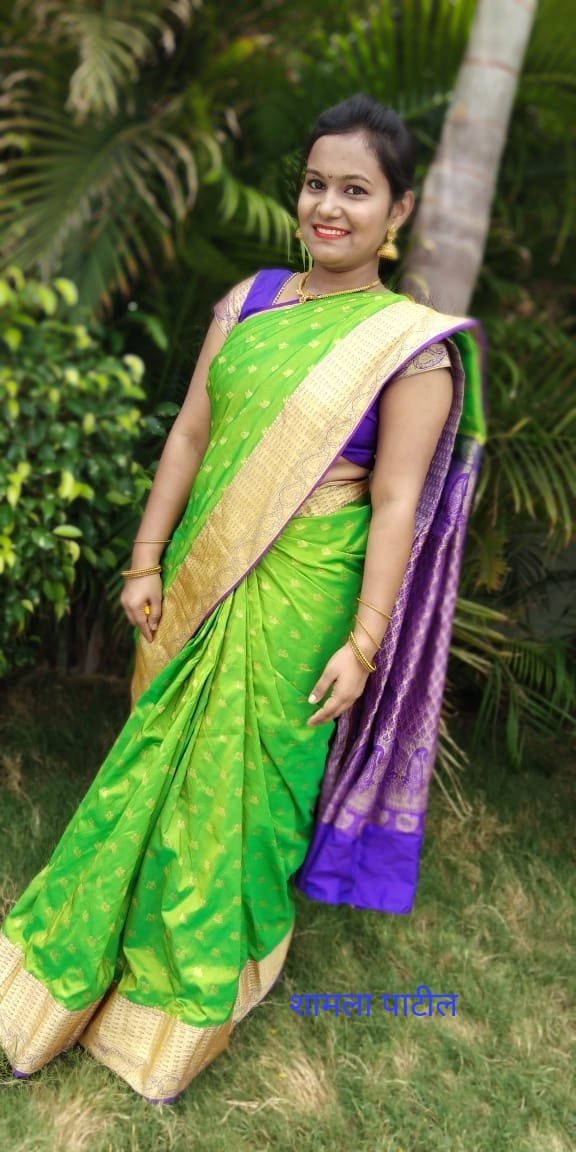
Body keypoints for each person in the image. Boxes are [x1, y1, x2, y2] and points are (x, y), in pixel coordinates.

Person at [0, 95, 485, 1103]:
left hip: (306, 599)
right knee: (144, 774)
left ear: (398, 211)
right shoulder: (251, 301)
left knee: (246, 800)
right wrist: (144, 559)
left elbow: (396, 502)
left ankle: (176, 1013)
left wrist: (364, 640)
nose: (328, 207)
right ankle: (57, 982)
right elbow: (190, 433)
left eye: (356, 191)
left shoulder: (411, 348)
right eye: (316, 184)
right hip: (200, 574)